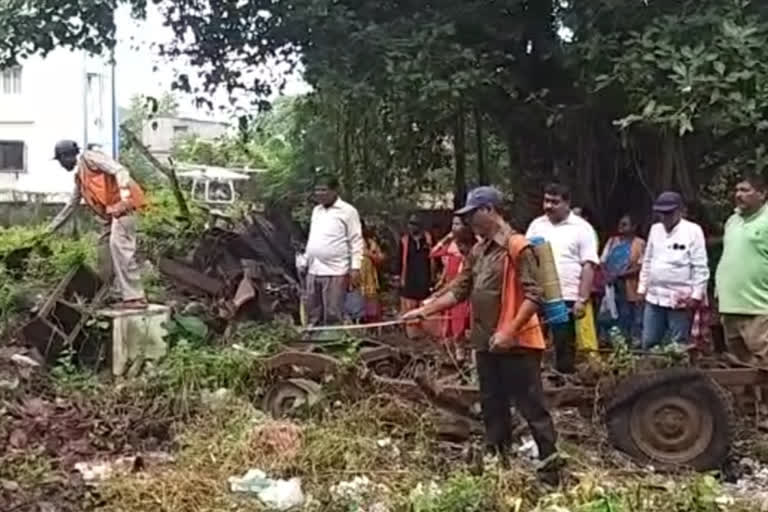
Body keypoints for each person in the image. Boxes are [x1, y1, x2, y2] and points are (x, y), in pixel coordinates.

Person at [402, 186, 559, 484]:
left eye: (472, 214)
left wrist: (510, 331)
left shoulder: (517, 247)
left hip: (517, 343)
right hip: (486, 342)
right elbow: (461, 289)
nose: (469, 221)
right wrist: (426, 311)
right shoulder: (479, 250)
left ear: (490, 210)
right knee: (492, 403)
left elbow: (534, 295)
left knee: (531, 406)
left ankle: (551, 468)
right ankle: (499, 461)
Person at [48, 140, 148, 309]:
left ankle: (135, 297)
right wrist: (49, 230)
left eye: (61, 160)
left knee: (119, 246)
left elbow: (120, 170)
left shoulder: (90, 158)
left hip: (124, 206)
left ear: (67, 156)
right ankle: (112, 293)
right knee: (103, 251)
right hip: (111, 215)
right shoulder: (80, 176)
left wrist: (124, 199)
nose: (61, 165)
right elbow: (71, 206)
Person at [526, 183, 599, 373]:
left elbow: (589, 266)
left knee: (563, 343)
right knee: (532, 340)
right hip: (537, 294)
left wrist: (582, 300)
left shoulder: (582, 228)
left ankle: (564, 382)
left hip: (566, 295)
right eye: (546, 201)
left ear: (567, 203)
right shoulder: (536, 225)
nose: (548, 206)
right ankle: (535, 379)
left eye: (554, 202)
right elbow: (526, 259)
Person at [638, 191, 709, 349]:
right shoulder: (655, 229)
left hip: (680, 297)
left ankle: (678, 373)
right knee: (649, 341)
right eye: (661, 213)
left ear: (680, 211)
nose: (665, 217)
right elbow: (647, 260)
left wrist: (697, 295)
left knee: (678, 344)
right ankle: (652, 371)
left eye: (669, 213)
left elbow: (700, 266)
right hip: (654, 295)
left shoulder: (693, 231)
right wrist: (642, 288)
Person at [715, 174, 768, 364]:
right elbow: (729, 256)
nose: (738, 195)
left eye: (745, 190)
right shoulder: (732, 221)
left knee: (764, 365)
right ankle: (750, 396)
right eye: (737, 190)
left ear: (762, 194)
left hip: (759, 309)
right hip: (731, 307)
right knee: (741, 368)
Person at [304, 175, 363, 326]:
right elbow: (314, 237)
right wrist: (305, 259)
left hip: (335, 271)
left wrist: (355, 268)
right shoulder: (317, 211)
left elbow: (356, 240)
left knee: (333, 312)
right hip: (314, 269)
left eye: (324, 190)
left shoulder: (348, 211)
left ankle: (335, 342)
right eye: (317, 190)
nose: (319, 193)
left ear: (335, 190)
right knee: (313, 310)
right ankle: (313, 342)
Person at [429, 217, 476, 357]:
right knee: (450, 325)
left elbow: (462, 277)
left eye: (457, 224)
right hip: (451, 287)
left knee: (462, 324)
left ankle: (466, 357)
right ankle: (456, 357)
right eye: (453, 224)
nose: (454, 227)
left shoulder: (473, 249)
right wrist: (447, 238)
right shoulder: (451, 245)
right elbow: (433, 253)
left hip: (463, 288)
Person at [600, 214, 646, 341]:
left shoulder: (639, 243)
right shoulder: (612, 242)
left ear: (634, 227)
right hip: (611, 286)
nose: (620, 227)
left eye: (625, 224)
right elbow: (602, 262)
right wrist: (608, 276)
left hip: (631, 286)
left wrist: (620, 275)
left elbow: (642, 266)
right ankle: (615, 342)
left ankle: (632, 342)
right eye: (620, 224)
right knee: (613, 314)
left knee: (632, 316)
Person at [397, 215, 434, 337]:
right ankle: (412, 336)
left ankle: (425, 334)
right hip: (409, 280)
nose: (412, 226)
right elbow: (399, 261)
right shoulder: (404, 241)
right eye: (411, 223)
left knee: (425, 309)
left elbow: (435, 259)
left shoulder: (429, 240)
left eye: (415, 224)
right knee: (410, 309)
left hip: (425, 280)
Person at [360, 222, 386, 322]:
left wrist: (369, 254)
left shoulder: (370, 242)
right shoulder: (347, 243)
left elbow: (381, 258)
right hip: (354, 281)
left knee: (371, 309)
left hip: (369, 280)